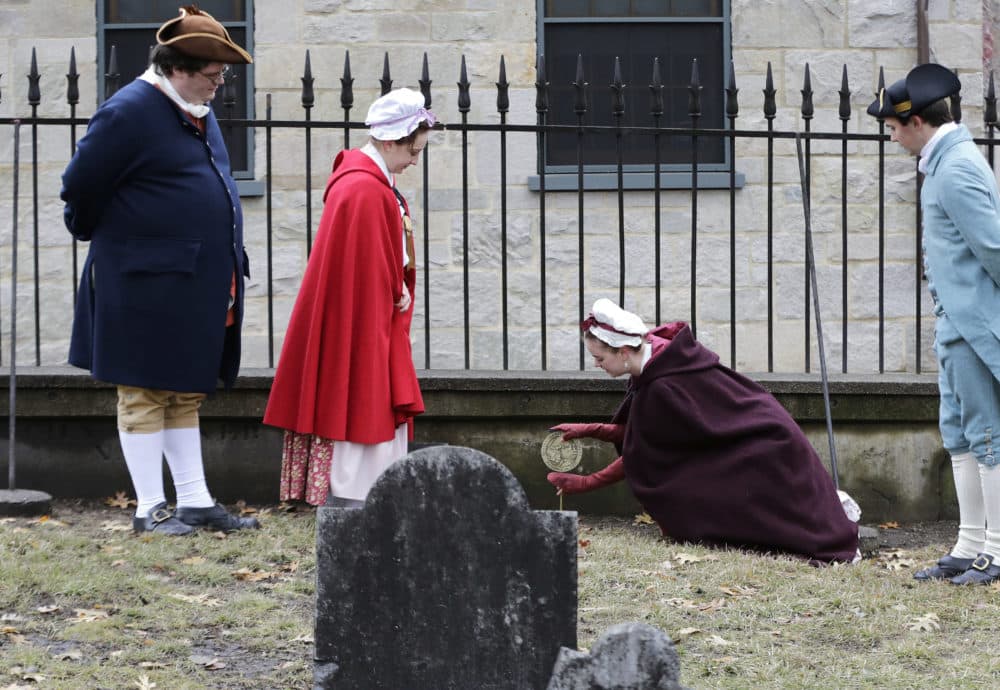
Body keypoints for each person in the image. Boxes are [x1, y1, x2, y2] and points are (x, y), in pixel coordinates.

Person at [61, 6, 259, 535]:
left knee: (183, 387)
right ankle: (150, 508)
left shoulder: (195, 105)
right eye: (212, 74)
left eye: (222, 75)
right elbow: (80, 187)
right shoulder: (129, 110)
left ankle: (194, 500)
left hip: (192, 276)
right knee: (145, 389)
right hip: (142, 275)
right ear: (178, 67)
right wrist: (109, 236)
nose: (219, 84)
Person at [546, 299, 860, 564]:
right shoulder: (656, 356)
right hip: (753, 434)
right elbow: (650, 433)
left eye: (599, 358)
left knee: (772, 517)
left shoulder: (662, 384)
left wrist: (587, 482)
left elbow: (641, 452)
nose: (597, 365)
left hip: (763, 445)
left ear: (623, 352)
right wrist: (591, 430)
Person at [263, 88, 434, 507]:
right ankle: (357, 493)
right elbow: (361, 269)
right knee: (361, 394)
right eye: (414, 150)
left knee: (368, 393)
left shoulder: (373, 184)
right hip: (361, 320)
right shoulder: (363, 189)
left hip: (374, 314)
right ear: (391, 140)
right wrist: (393, 292)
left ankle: (369, 492)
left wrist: (394, 290)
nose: (415, 160)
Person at [867, 63, 1000, 585]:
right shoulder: (941, 162)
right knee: (960, 436)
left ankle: (995, 550)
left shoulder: (958, 165)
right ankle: (969, 545)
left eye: (894, 127)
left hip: (973, 324)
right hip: (955, 324)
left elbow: (993, 247)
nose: (893, 136)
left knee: (987, 437)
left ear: (916, 121)